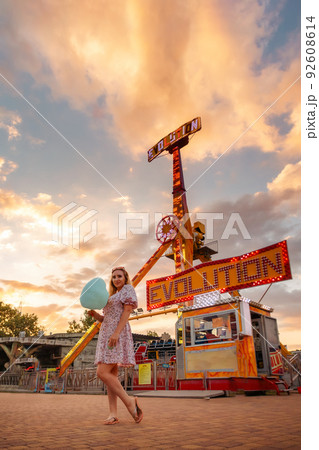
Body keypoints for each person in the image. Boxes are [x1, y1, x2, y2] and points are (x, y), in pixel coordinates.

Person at [88, 267, 143, 425]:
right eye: (114, 277)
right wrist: (96, 315)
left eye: (119, 276)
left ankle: (130, 402)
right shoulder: (113, 296)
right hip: (106, 334)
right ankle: (113, 414)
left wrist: (116, 334)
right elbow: (107, 318)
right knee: (111, 375)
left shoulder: (127, 290)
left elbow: (126, 313)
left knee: (102, 372)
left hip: (116, 335)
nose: (116, 279)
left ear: (125, 277)